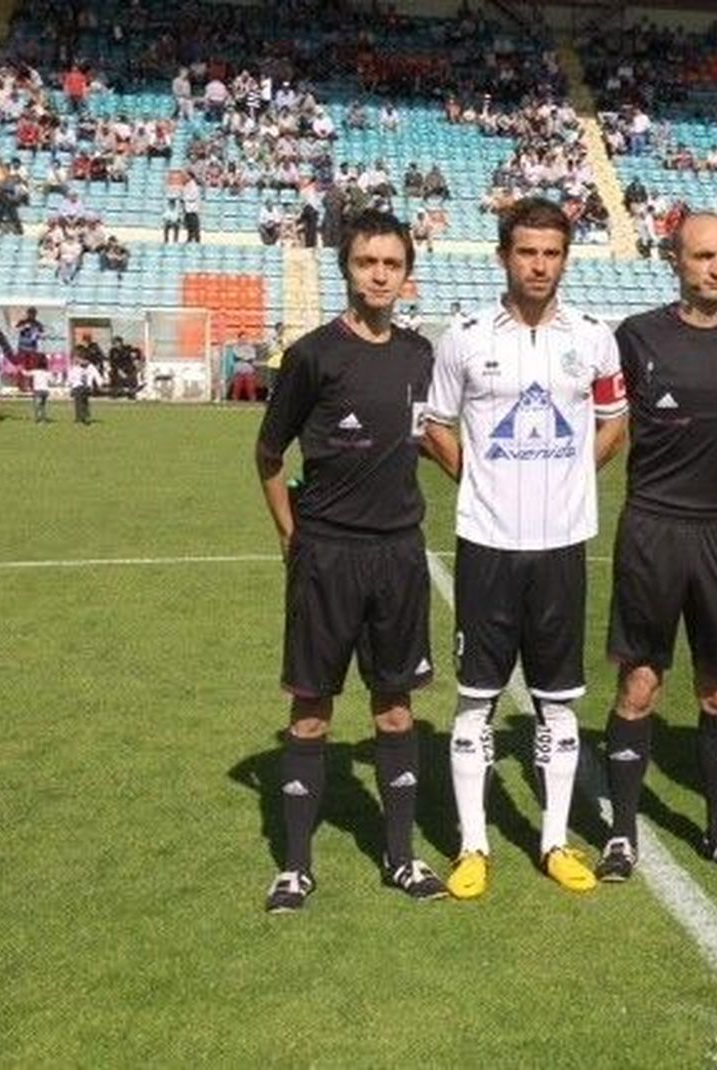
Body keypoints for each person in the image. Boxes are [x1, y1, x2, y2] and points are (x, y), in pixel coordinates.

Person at [421, 196, 628, 899]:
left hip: (562, 547)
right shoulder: (465, 337)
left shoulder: (596, 338)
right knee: (474, 702)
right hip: (486, 545)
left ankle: (553, 841)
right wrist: (479, 477)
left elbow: (612, 421)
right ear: (503, 256)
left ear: (566, 258)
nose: (539, 265)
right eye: (526, 252)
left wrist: (569, 479)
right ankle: (473, 845)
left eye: (552, 253)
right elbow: (436, 425)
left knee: (559, 704)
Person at [253, 209, 446, 913]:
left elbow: (441, 440)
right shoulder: (312, 356)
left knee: (395, 710)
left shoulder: (423, 356)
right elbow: (269, 455)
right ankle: (296, 868)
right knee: (311, 711)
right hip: (327, 555)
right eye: (367, 262)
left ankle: (401, 858)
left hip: (398, 554)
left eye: (391, 264)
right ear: (347, 267)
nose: (379, 275)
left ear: (407, 274)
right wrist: (289, 536)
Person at [593, 213, 717, 883]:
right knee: (640, 683)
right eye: (703, 255)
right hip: (654, 529)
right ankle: (619, 836)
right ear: (675, 258)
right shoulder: (637, 337)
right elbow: (605, 420)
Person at [68, 351, 103, 424]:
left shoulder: (90, 367)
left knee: (81, 401)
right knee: (80, 402)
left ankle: (82, 417)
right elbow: (71, 378)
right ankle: (82, 417)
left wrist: (100, 383)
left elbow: (97, 375)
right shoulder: (75, 367)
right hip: (77, 387)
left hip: (86, 387)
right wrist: (70, 386)